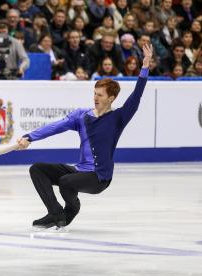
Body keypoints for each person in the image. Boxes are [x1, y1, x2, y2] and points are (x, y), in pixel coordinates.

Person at [17, 44, 153, 229]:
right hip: (79, 170)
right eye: (94, 93)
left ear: (111, 98)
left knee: (66, 182)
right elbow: (56, 126)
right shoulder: (82, 115)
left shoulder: (117, 118)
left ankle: (71, 209)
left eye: (100, 95)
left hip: (99, 177)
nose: (95, 98)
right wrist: (30, 137)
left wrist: (144, 68)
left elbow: (136, 97)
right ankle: (55, 212)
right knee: (37, 169)